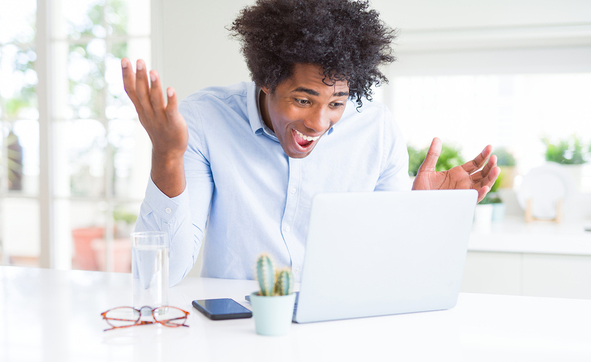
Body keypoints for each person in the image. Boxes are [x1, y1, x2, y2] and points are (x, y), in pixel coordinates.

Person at [122, 0, 499, 286]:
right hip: (237, 333)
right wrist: (167, 155)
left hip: (340, 333)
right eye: (302, 100)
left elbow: (391, 265)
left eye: (336, 103)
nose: (319, 122)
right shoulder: (205, 120)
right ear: (266, 80)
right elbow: (158, 275)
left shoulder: (376, 129)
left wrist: (422, 214)